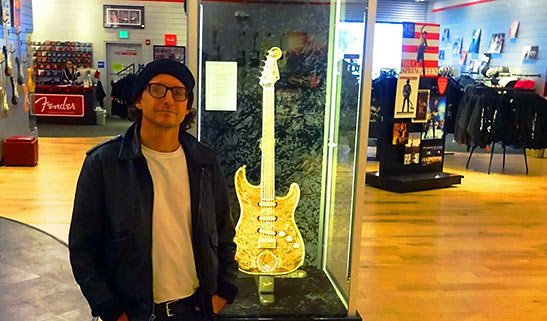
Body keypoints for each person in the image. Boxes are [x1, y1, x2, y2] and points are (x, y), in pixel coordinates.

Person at [69, 59, 238, 321]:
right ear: (139, 100)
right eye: (158, 89)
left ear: (187, 107)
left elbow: (223, 231)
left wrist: (223, 292)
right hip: (135, 312)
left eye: (179, 93)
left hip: (195, 309)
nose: (168, 100)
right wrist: (111, 310)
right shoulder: (104, 163)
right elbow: (84, 248)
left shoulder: (204, 161)